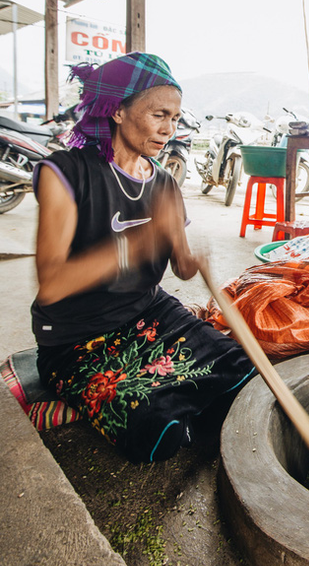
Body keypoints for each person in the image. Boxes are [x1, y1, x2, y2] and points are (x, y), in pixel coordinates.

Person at [32, 52, 255, 464]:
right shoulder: (65, 172)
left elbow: (181, 268)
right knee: (158, 433)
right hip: (76, 335)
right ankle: (131, 401)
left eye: (175, 117)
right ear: (117, 110)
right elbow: (52, 284)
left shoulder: (165, 182)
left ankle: (161, 397)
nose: (169, 129)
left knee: (243, 369)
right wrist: (138, 242)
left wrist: (194, 259)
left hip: (147, 313)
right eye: (159, 115)